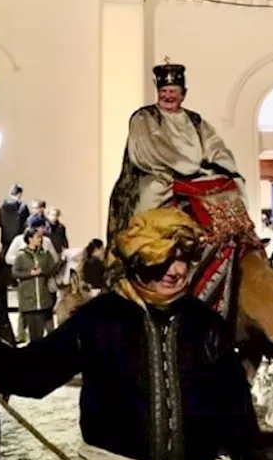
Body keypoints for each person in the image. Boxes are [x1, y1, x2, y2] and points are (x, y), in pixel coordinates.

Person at [0, 208, 268, 460]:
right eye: (166, 259)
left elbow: (235, 404)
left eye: (184, 259)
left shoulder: (206, 325)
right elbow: (37, 368)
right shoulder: (99, 319)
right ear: (140, 258)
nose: (178, 271)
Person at [107, 59, 264, 315]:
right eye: (164, 92)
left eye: (173, 93)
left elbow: (216, 147)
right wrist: (187, 168)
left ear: (183, 94)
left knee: (229, 188)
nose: (168, 97)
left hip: (197, 175)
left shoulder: (195, 120)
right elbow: (148, 150)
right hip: (160, 174)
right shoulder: (145, 117)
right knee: (150, 194)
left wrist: (219, 167)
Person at [13, 228, 60, 342]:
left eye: (41, 237)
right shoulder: (21, 255)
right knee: (35, 336)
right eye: (37, 237)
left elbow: (52, 268)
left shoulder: (45, 254)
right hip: (30, 301)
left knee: (51, 333)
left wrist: (42, 271)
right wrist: (30, 273)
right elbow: (15, 272)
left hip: (45, 299)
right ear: (30, 239)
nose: (40, 239)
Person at [0, 184, 27, 255]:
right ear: (19, 194)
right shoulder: (23, 208)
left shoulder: (2, 207)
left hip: (5, 240)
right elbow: (26, 224)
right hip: (18, 240)